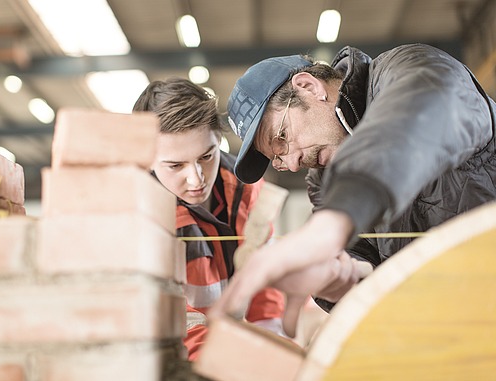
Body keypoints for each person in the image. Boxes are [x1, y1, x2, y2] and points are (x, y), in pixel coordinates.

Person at [210, 43, 496, 335]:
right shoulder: (323, 183)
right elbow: (362, 264)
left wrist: (330, 226)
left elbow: (417, 116)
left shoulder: (409, 69)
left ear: (308, 87)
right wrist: (341, 279)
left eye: (282, 137)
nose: (293, 163)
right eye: (278, 159)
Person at [132, 77, 286, 360]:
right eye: (175, 165)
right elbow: (167, 314)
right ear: (147, 160)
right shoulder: (138, 216)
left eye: (206, 156)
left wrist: (271, 338)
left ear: (219, 140)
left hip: (236, 350)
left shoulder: (250, 191)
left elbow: (264, 275)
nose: (196, 179)